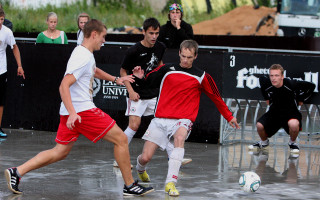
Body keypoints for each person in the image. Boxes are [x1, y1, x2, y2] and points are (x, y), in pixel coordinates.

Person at [4, 19, 154, 196]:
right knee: (121, 139)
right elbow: (63, 85)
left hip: (70, 111)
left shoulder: (84, 53)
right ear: (94, 34)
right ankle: (129, 185)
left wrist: (116, 79)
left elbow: (93, 70)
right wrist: (74, 113)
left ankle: (17, 171)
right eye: (103, 37)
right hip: (82, 111)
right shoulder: (82, 56)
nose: (104, 41)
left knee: (59, 152)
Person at [132, 40, 240, 196]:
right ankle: (140, 168)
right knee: (146, 157)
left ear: (195, 56)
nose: (185, 60)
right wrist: (139, 78)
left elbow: (216, 97)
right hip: (160, 119)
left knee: (180, 138)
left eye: (189, 57)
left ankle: (170, 183)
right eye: (183, 56)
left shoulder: (202, 76)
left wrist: (229, 116)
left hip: (183, 119)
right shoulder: (166, 69)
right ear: (179, 54)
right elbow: (147, 83)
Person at [119, 17, 192, 169]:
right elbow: (123, 71)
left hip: (153, 94)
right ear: (144, 32)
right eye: (151, 33)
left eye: (156, 33)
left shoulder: (160, 47)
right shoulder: (133, 50)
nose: (154, 37)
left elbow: (159, 64)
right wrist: (131, 91)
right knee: (134, 125)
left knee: (164, 124)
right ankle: (119, 158)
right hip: (137, 94)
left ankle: (172, 155)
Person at [248, 64, 315, 155]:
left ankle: (292, 143)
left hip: (291, 113)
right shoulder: (267, 83)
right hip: (274, 113)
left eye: (276, 75)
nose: (273, 78)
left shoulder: (291, 84)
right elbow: (261, 81)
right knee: (259, 125)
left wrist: (301, 99)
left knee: (294, 124)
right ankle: (264, 143)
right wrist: (266, 98)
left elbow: (311, 86)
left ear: (282, 76)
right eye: (271, 75)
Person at [0, 8, 25, 137]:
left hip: (1, 70)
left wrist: (19, 66)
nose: (0, 22)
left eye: (1, 19)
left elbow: (15, 48)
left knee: (0, 101)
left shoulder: (7, 32)